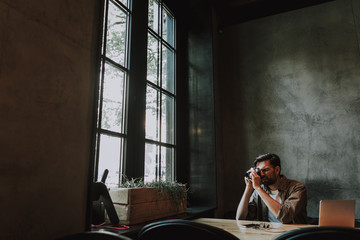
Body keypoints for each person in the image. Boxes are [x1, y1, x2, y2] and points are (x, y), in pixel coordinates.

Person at [236, 153, 307, 224]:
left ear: (277, 170)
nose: (262, 174)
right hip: (268, 233)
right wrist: (248, 188)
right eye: (259, 171)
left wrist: (258, 188)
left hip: (292, 234)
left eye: (265, 170)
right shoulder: (260, 190)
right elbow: (241, 218)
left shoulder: (297, 188)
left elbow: (285, 217)